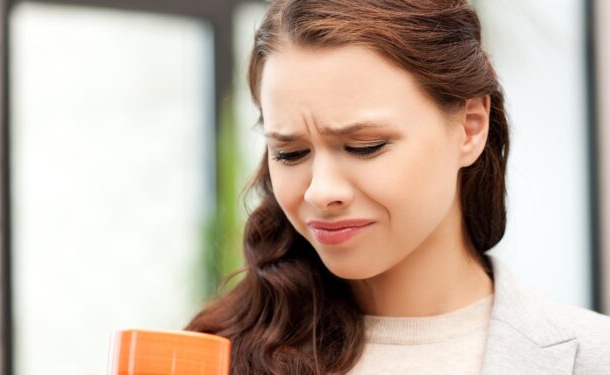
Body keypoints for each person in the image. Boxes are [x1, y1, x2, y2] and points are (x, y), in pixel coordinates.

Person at [186, 0, 610, 374]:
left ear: (469, 128)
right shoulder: (210, 355)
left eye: (365, 146)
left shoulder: (594, 357)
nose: (320, 191)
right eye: (290, 153)